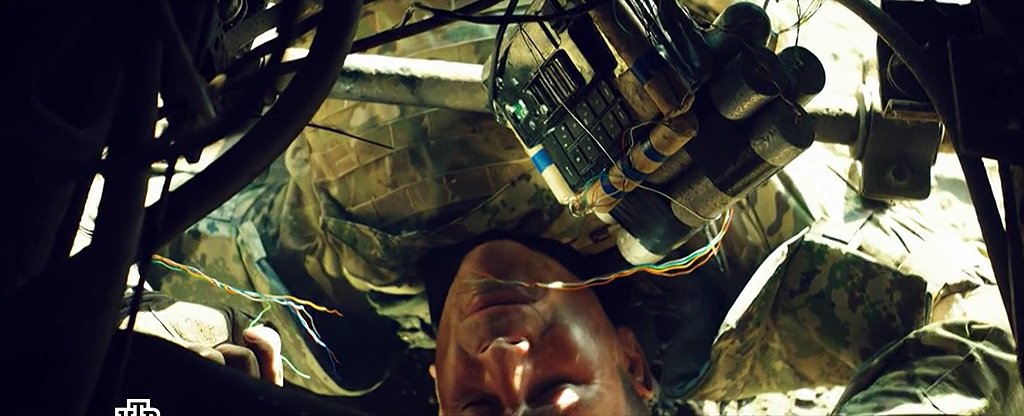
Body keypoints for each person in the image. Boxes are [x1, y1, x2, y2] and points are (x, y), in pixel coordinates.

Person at [128, 0, 1023, 414]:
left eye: (480, 411)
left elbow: (140, 279)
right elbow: (982, 328)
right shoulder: (729, 308)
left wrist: (184, 353)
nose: (502, 358)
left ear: (435, 394)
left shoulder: (324, 306)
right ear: (633, 364)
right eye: (558, 392)